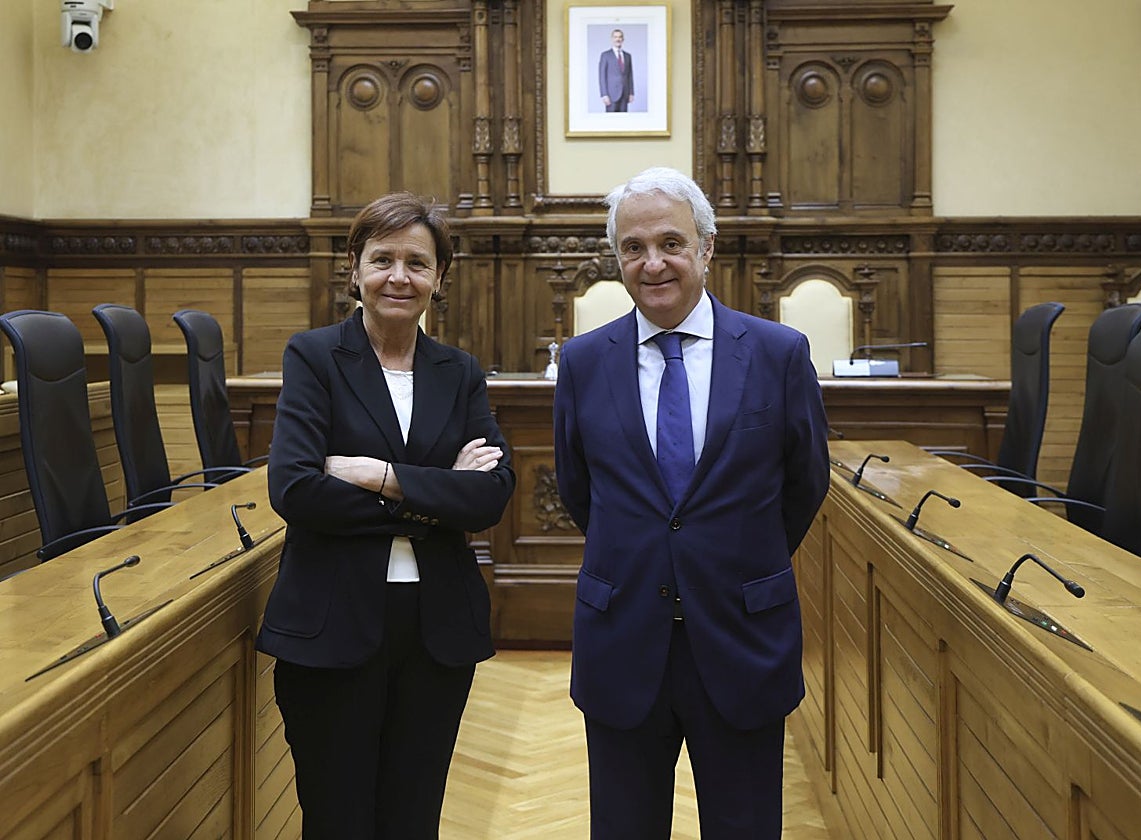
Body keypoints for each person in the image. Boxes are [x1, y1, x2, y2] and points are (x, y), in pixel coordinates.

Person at [553, 166, 830, 839]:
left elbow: (805, 484)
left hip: (741, 638)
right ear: (617, 256)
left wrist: (729, 559)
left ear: (706, 248)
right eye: (633, 247)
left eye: (671, 243)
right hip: (623, 641)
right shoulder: (584, 361)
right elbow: (578, 488)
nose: (653, 264)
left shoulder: (778, 354)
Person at [257, 192, 515, 839]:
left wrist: (379, 475)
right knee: (338, 819)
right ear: (354, 268)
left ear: (439, 278)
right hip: (331, 623)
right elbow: (295, 489)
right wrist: (435, 497)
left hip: (436, 633)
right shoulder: (314, 357)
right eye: (383, 259)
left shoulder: (459, 373)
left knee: (412, 818)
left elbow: (490, 495)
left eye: (417, 263)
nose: (399, 276)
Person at [598, 28, 634, 112]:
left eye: (620, 37)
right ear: (612, 39)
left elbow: (630, 75)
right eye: (615, 37)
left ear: (623, 39)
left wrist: (631, 93)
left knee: (623, 121)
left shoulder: (627, 56)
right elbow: (602, 76)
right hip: (611, 95)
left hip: (625, 94)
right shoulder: (605, 55)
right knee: (610, 122)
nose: (618, 39)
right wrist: (604, 94)